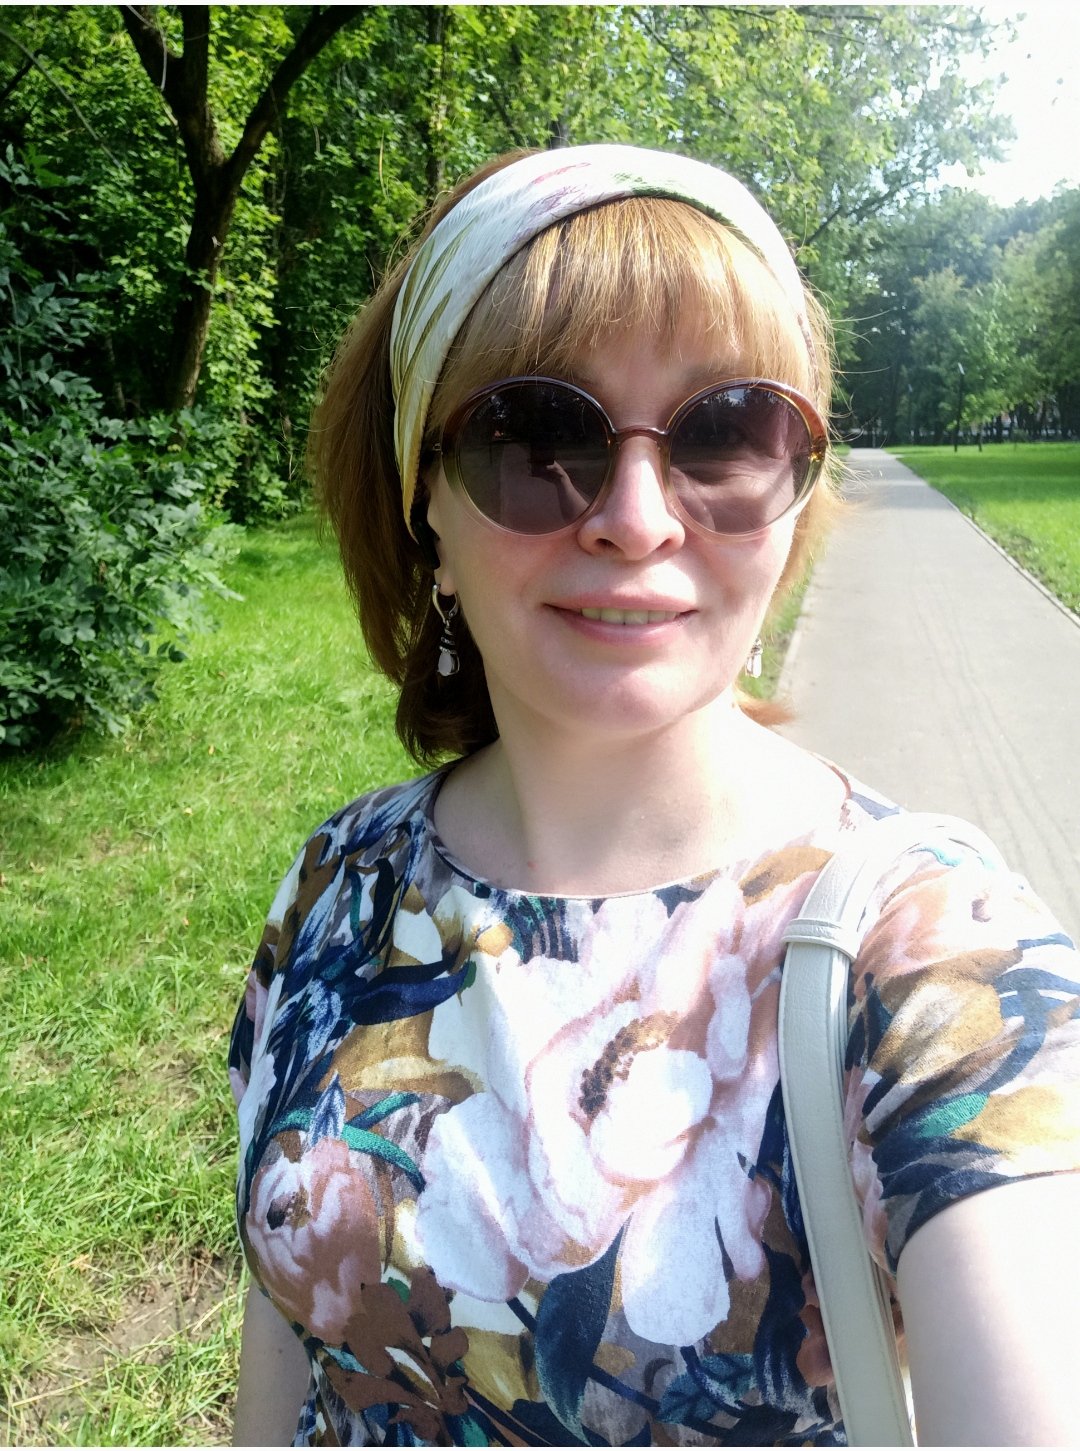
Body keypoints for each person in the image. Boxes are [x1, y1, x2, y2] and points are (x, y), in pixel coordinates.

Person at [229, 145, 1080, 1447]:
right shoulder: (338, 885)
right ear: (424, 508)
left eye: (726, 432)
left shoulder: (931, 958)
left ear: (792, 498)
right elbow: (289, 1346)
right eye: (536, 437)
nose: (636, 518)